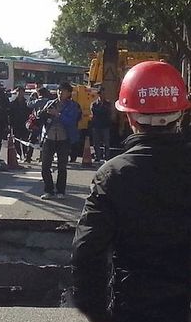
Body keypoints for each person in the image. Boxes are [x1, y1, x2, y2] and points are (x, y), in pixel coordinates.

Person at [72, 61, 191, 322]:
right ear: (181, 114)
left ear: (130, 116)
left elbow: (86, 251)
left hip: (134, 307)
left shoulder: (112, 174)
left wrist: (98, 313)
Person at [37, 81, 80, 199]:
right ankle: (48, 190)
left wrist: (58, 114)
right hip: (49, 137)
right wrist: (42, 114)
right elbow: (41, 118)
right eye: (59, 90)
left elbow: (72, 121)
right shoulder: (51, 103)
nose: (60, 93)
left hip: (64, 138)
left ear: (69, 93)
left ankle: (61, 191)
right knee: (45, 166)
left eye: (64, 91)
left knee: (62, 166)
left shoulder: (72, 106)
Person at [24, 87, 51, 163]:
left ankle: (28, 157)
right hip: (46, 123)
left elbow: (28, 104)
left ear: (39, 94)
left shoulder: (38, 101)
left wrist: (31, 97)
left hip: (37, 122)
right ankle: (42, 157)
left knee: (32, 140)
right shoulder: (49, 101)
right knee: (43, 140)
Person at [9, 85, 31, 161]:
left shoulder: (27, 103)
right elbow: (10, 114)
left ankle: (25, 154)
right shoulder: (12, 103)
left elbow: (30, 114)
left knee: (25, 140)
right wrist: (10, 124)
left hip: (25, 124)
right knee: (16, 140)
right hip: (16, 124)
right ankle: (18, 154)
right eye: (18, 92)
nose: (20, 93)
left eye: (22, 92)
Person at [90, 87, 112, 162]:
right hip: (96, 125)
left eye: (104, 94)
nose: (103, 95)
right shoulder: (94, 104)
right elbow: (95, 113)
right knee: (96, 143)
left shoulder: (108, 104)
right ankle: (98, 157)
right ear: (98, 94)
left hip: (105, 125)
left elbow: (108, 112)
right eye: (101, 94)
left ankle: (107, 157)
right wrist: (102, 111)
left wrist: (101, 111)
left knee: (106, 143)